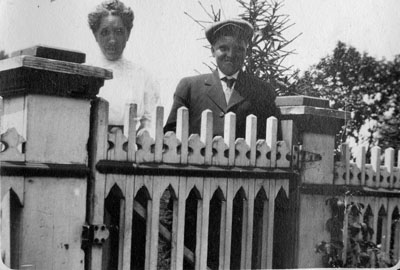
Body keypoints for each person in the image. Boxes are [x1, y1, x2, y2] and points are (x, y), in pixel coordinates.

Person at [164, 19, 280, 139]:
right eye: (223, 48)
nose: (231, 55)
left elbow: (274, 138)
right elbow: (170, 136)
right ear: (213, 51)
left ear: (246, 52)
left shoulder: (263, 91)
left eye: (239, 49)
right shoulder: (189, 87)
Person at [88, 0, 160, 131]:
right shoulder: (86, 73)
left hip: (130, 147)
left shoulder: (143, 76)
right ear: (95, 35)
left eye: (119, 31)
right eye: (105, 32)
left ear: (128, 34)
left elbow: (150, 124)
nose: (112, 40)